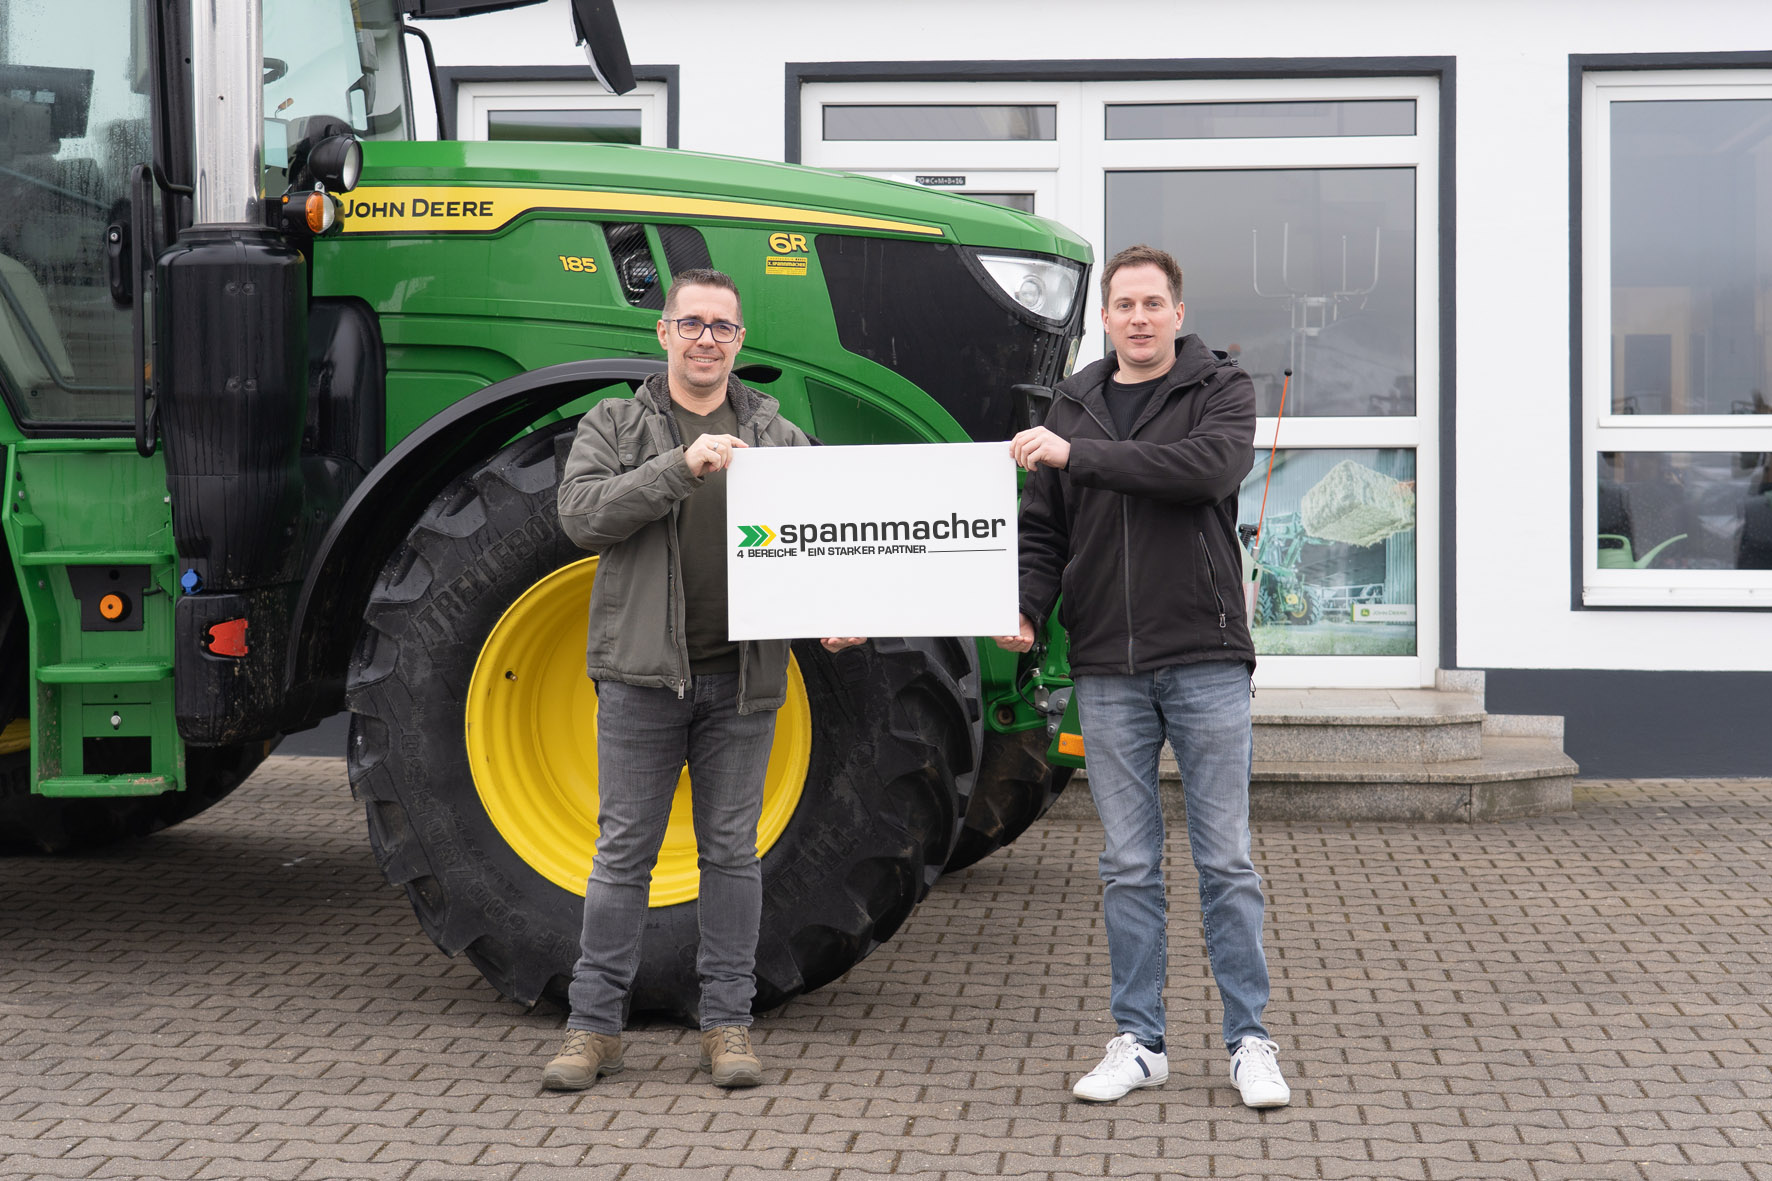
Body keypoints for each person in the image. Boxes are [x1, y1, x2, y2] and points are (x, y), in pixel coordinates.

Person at [547, 268, 860, 1092]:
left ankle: (727, 1023)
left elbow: (828, 531)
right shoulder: (616, 422)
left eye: (722, 326)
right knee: (624, 854)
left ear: (740, 340)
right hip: (641, 679)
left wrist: (839, 606)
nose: (706, 340)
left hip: (742, 681)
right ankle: (594, 1028)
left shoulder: (777, 434)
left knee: (731, 854)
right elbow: (581, 515)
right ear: (664, 332)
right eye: (691, 323)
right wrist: (680, 467)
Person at [997, 244, 1290, 1109]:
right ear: (1105, 317)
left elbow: (1203, 471)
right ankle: (1141, 1041)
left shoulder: (1219, 389)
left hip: (1204, 656)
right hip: (1106, 665)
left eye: (1152, 303)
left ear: (1177, 313)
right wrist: (1027, 607)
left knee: (1225, 859)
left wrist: (1076, 454)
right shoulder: (1075, 400)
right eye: (1123, 304)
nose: (1137, 317)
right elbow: (1044, 530)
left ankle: (1250, 1040)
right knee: (1127, 863)